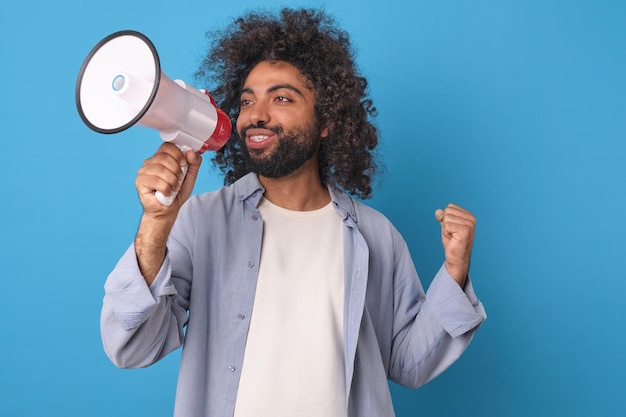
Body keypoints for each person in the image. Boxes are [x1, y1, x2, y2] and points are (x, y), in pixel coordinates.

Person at [100, 7, 486, 417]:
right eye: (247, 100)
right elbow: (132, 347)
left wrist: (455, 273)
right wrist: (156, 225)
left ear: (327, 121)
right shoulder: (200, 221)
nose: (256, 115)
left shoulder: (376, 235)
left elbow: (409, 363)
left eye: (281, 97)